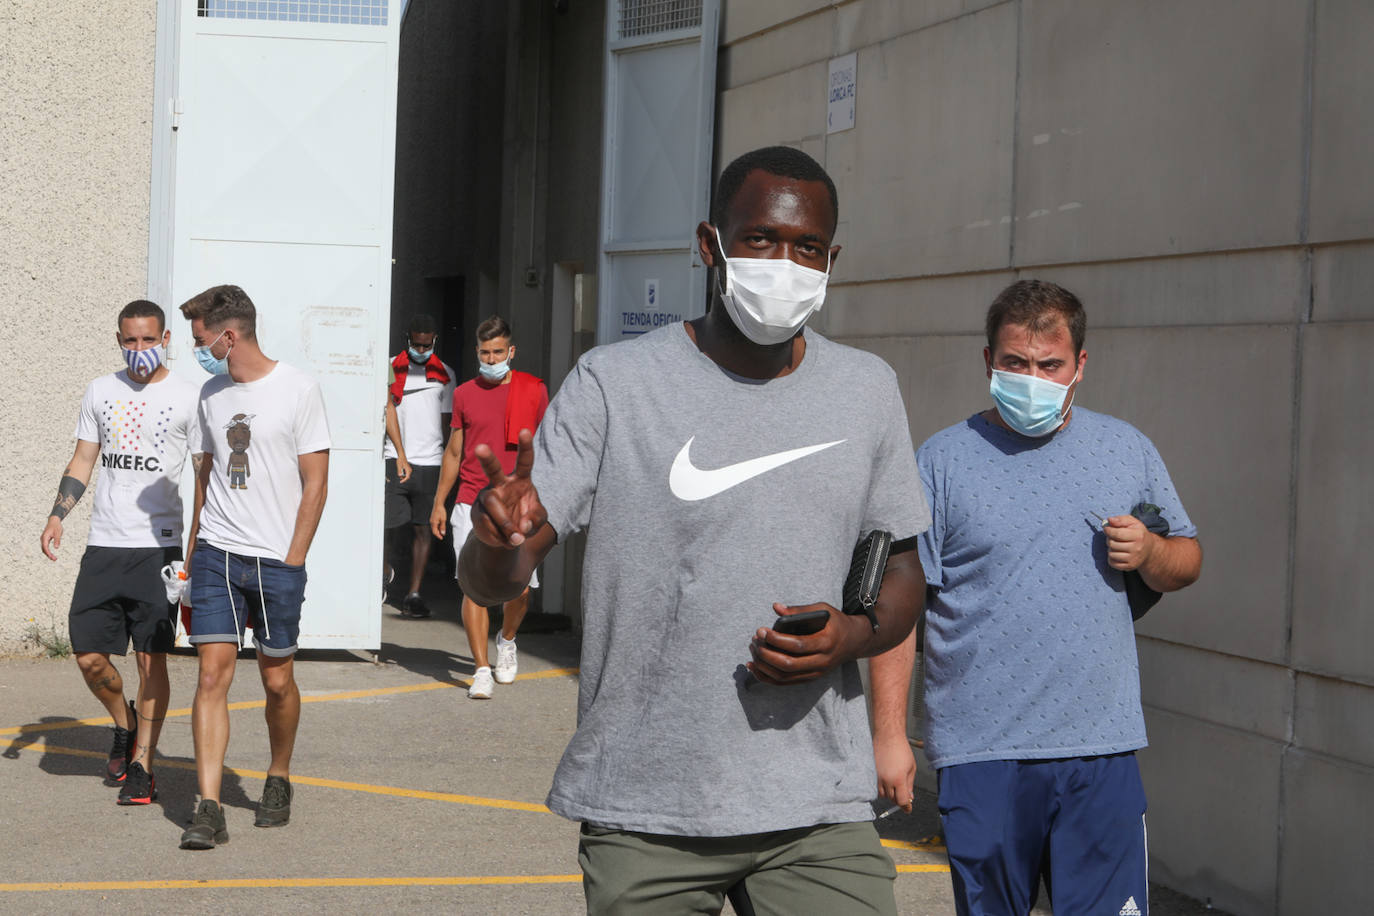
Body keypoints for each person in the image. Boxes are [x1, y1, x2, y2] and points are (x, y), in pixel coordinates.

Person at [457, 146, 929, 913]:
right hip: (647, 809)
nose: (785, 264)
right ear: (710, 246)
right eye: (761, 240)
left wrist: (851, 634)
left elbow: (904, 570)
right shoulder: (616, 384)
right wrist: (493, 541)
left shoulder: (868, 390)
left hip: (816, 809)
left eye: (807, 248)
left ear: (832, 257)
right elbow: (495, 579)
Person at [870, 280, 1203, 916]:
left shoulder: (1126, 449)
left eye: (1050, 364)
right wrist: (891, 737)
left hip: (1100, 750)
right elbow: (899, 612)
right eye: (1015, 363)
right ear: (988, 361)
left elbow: (1187, 558)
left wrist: (1154, 555)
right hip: (982, 754)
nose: (1033, 377)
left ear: (1081, 364)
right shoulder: (940, 462)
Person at [176, 285, 331, 850]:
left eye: (201, 339)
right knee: (211, 675)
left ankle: (279, 774)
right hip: (217, 552)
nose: (199, 349)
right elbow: (205, 477)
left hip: (275, 561)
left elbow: (316, 482)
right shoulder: (211, 395)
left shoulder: (299, 389)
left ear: (229, 335)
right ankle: (209, 806)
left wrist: (294, 557)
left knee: (276, 680)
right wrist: (193, 551)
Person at [39, 300, 201, 806]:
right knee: (89, 657)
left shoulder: (190, 397)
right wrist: (57, 513)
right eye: (130, 341)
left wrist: (196, 550)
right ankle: (124, 723)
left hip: (159, 548)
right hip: (104, 546)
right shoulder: (100, 391)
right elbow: (84, 457)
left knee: (154, 663)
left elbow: (206, 476)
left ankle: (141, 764)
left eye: (148, 340)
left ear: (166, 338)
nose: (139, 350)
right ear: (118, 340)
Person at [431, 316, 548, 698]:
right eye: (485, 352)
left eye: (498, 352)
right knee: (473, 587)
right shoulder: (463, 393)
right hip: (471, 504)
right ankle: (481, 668)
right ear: (476, 353)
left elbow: (548, 451)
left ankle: (508, 640)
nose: (492, 358)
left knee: (520, 591)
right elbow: (454, 451)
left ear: (510, 351)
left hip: (517, 508)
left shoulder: (534, 390)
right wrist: (439, 503)